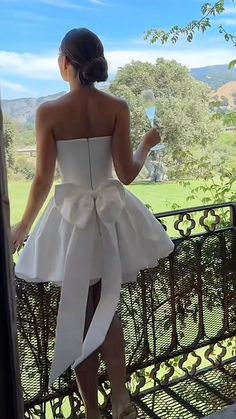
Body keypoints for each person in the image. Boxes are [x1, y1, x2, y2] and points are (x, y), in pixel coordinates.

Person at [11, 28, 174, 419]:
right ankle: (121, 400)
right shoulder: (117, 106)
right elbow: (127, 173)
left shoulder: (48, 112)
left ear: (65, 63)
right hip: (112, 219)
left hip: (70, 223)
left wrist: (23, 226)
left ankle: (90, 411)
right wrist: (146, 145)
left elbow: (43, 180)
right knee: (108, 309)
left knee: (77, 315)